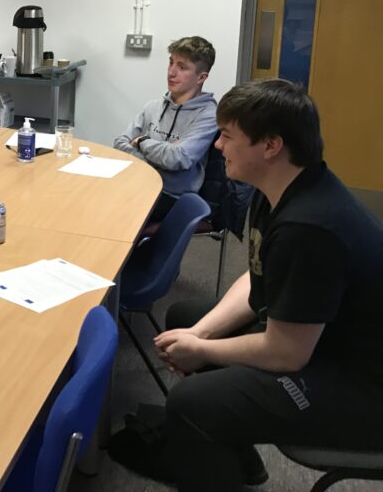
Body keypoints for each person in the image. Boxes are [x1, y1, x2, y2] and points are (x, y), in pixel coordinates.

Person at [154, 79, 383, 492]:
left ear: (270, 146)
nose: (218, 146)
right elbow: (256, 276)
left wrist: (202, 349)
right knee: (187, 318)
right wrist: (200, 333)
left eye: (227, 135)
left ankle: (216, 444)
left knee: (191, 404)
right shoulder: (281, 186)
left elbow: (286, 353)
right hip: (320, 342)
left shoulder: (311, 227)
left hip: (361, 388)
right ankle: (239, 465)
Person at [114, 36, 218, 222]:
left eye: (182, 67)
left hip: (172, 196)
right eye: (171, 63)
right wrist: (159, 157)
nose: (171, 72)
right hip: (138, 184)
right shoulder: (153, 107)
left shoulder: (208, 116)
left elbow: (179, 158)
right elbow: (120, 143)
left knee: (116, 214)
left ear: (201, 77)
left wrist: (142, 142)